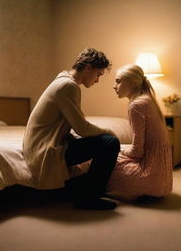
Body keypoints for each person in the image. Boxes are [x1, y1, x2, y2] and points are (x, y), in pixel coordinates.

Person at [23, 48, 120, 210]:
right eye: (98, 74)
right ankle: (89, 198)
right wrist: (108, 131)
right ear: (88, 67)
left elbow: (77, 125)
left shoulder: (64, 81)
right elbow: (82, 128)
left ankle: (86, 190)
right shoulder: (67, 86)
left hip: (41, 144)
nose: (97, 80)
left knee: (100, 142)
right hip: (44, 148)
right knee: (110, 142)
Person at [107, 64, 173, 201]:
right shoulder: (148, 100)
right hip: (164, 181)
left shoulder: (137, 105)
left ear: (131, 83)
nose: (114, 86)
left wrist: (118, 150)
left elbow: (137, 152)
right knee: (116, 149)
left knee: (101, 157)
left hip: (150, 177)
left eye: (118, 81)